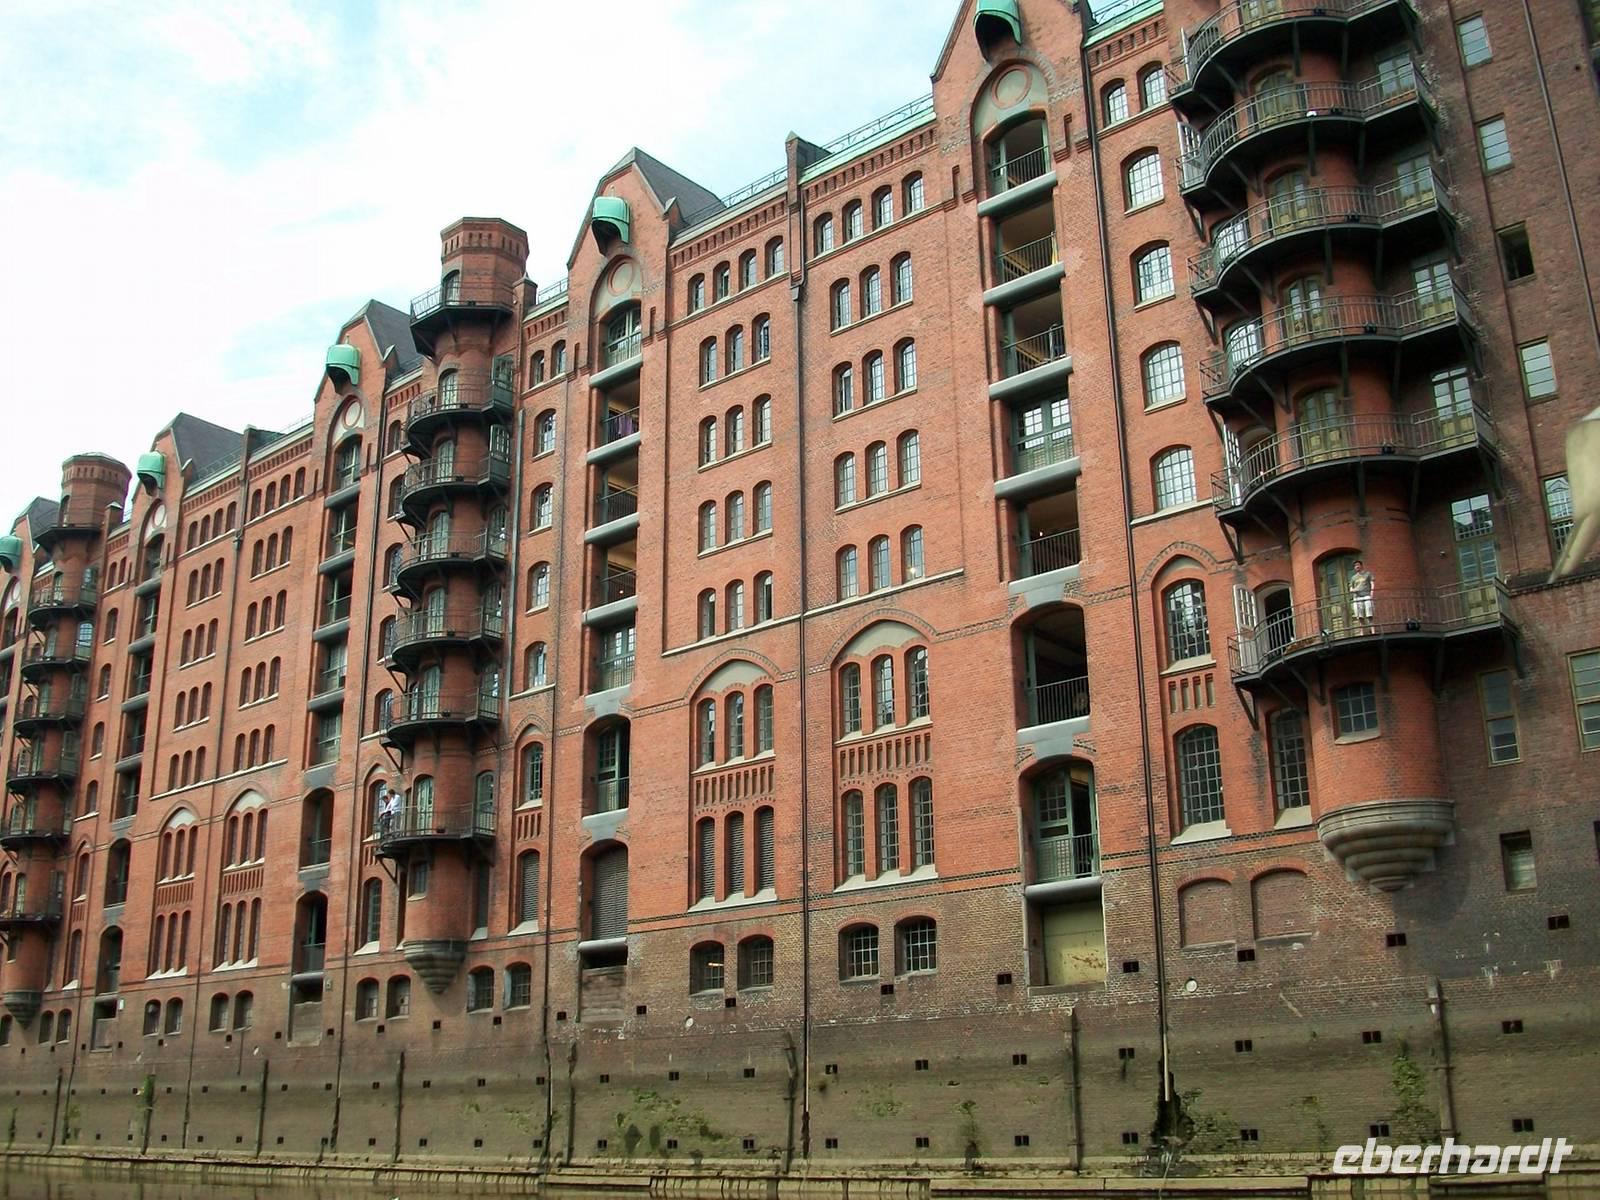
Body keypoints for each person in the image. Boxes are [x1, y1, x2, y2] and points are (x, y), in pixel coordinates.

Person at [1349, 560, 1375, 633]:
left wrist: (1372, 592)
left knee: (1370, 614)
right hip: (1357, 597)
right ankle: (1362, 632)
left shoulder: (1367, 574)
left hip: (1366, 595)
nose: (1357, 566)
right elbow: (1350, 588)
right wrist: (1353, 590)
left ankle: (1373, 631)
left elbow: (1372, 583)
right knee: (1359, 616)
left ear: (1361, 566)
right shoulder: (1353, 578)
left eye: (1358, 565)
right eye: (1355, 566)